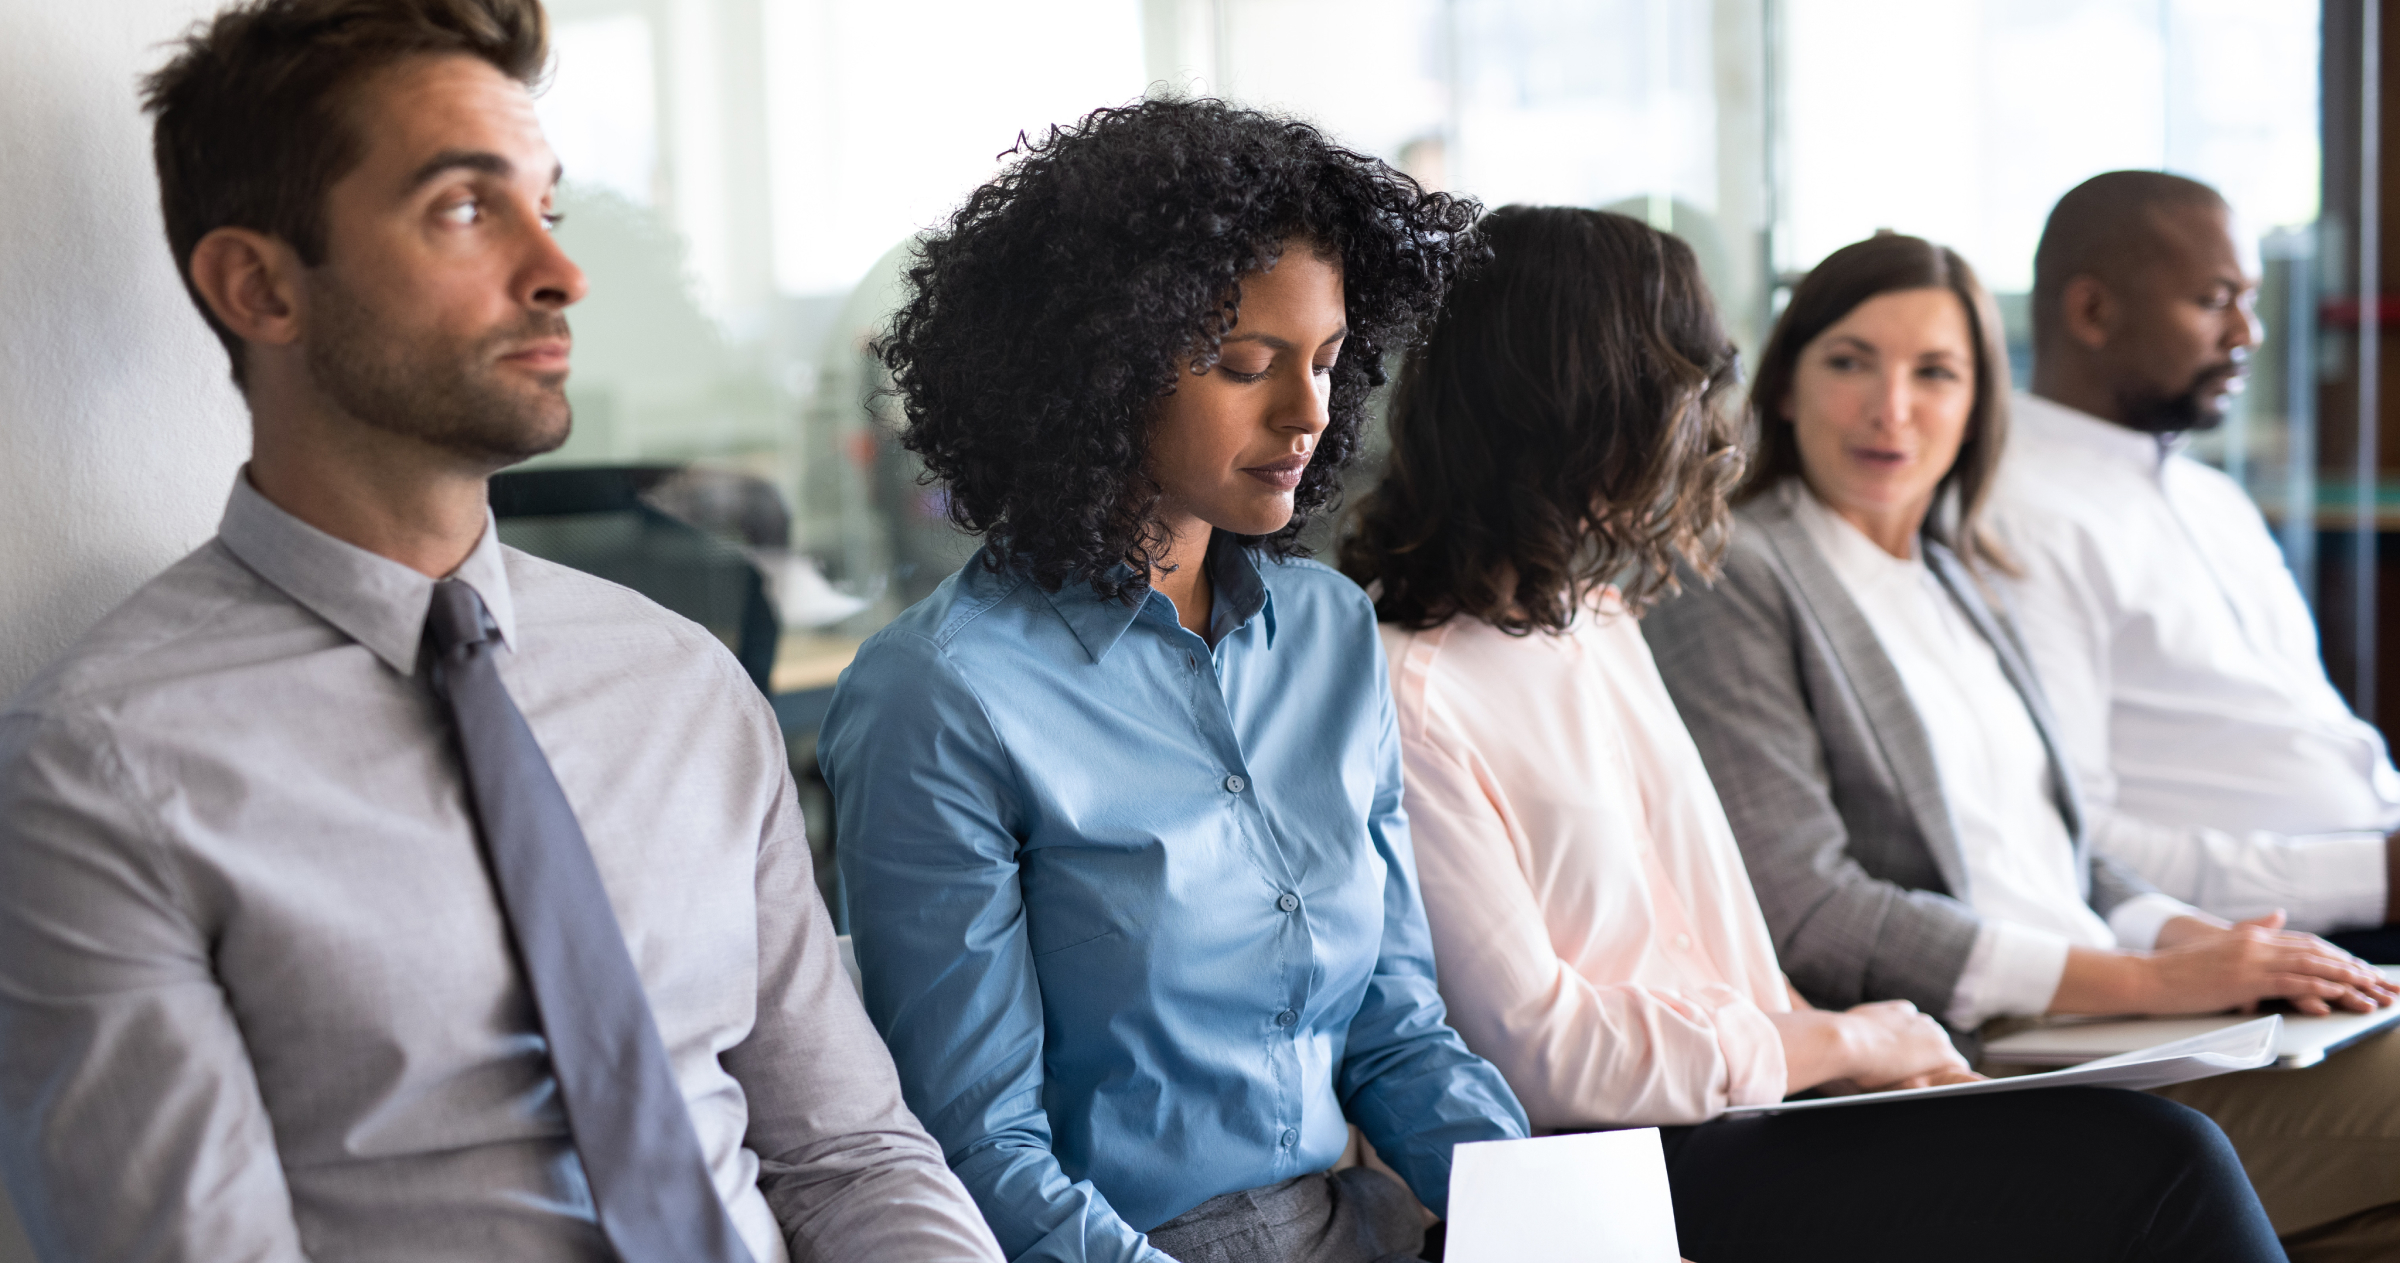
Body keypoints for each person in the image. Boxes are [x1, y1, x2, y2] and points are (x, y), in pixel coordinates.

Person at [0, 3, 1002, 1261]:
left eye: (551, 209)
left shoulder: (680, 683)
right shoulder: (101, 770)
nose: (561, 272)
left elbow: (849, 1157)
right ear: (258, 286)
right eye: (466, 210)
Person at [1339, 204, 2284, 1263]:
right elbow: (1541, 1053)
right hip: (1623, 1170)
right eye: (1685, 379)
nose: (1711, 420)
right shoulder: (1412, 687)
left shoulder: (1599, 621)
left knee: (2143, 1151)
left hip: (1765, 1105)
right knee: (2158, 1163)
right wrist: (1838, 1040)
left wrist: (1880, 1058)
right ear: (1576, 398)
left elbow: (1727, 947)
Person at [818, 99, 1530, 1263]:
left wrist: (1555, 1225)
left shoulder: (1329, 631)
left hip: (1352, 1226)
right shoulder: (940, 696)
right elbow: (980, 1150)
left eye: (1329, 361)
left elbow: (1397, 1037)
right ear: (1100, 371)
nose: (1307, 414)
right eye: (1245, 366)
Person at [1643, 230, 2400, 1260]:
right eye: (1850, 362)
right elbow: (1811, 907)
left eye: (1934, 373)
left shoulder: (1961, 574)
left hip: (2118, 1025)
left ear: (1976, 404)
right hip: (1986, 1056)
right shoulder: (1741, 575)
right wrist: (2145, 984)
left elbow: (2068, 845)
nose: (1891, 408)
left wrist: (2197, 943)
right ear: (1784, 385)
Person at [1990, 170, 2400, 963]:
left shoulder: (2215, 500)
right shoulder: (2016, 517)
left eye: (2249, 299)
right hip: (2272, 939)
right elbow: (2083, 842)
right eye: (2216, 301)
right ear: (2092, 312)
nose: (2249, 334)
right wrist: (2371, 876)